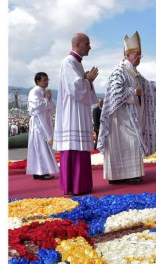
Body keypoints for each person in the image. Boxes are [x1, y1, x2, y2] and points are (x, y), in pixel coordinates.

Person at [97, 31, 156, 184]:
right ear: (127, 54)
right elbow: (114, 92)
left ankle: (130, 174)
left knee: (132, 142)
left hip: (131, 116)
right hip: (120, 117)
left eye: (140, 55)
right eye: (137, 54)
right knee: (131, 141)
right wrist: (132, 92)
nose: (139, 58)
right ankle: (119, 175)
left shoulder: (134, 72)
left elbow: (148, 87)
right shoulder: (119, 70)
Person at [53, 33, 99, 195]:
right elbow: (75, 88)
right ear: (78, 45)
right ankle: (73, 185)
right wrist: (87, 80)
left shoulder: (76, 63)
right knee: (72, 147)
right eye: (87, 44)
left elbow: (80, 85)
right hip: (71, 112)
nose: (90, 47)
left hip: (78, 110)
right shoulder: (69, 62)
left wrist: (87, 80)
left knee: (79, 147)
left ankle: (82, 184)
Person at [26, 72, 59, 180]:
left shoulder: (45, 92)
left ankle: (41, 171)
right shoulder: (34, 92)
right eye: (44, 80)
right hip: (38, 124)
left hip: (45, 121)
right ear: (37, 81)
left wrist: (48, 100)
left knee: (43, 146)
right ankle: (40, 172)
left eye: (47, 79)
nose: (47, 82)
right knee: (39, 146)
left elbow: (52, 109)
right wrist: (46, 100)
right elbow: (37, 108)